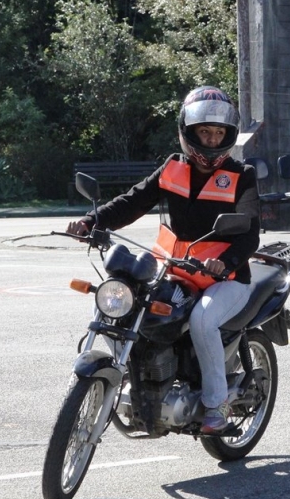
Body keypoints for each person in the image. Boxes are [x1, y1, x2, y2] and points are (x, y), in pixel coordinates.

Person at [66, 86, 261, 434]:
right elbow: (132, 202)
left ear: (228, 135)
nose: (212, 140)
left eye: (218, 133)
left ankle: (216, 405)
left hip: (226, 280)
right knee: (129, 302)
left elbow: (249, 232)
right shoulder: (173, 168)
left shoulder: (241, 175)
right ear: (189, 132)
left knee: (202, 320)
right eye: (205, 132)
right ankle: (139, 377)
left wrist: (227, 261)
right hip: (174, 270)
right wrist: (90, 222)